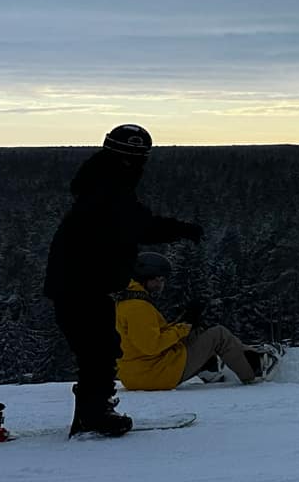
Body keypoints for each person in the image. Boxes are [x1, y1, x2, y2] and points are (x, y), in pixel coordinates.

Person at [41, 125, 203, 437]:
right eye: (135, 158)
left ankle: (92, 412)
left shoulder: (102, 183)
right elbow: (138, 225)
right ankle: (95, 414)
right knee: (99, 349)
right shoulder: (107, 189)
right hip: (80, 284)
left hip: (82, 283)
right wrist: (180, 229)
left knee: (99, 348)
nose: (138, 165)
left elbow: (132, 224)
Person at [116, 253, 274, 389]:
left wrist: (184, 322)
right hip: (154, 375)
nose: (161, 284)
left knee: (199, 332)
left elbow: (148, 337)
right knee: (219, 334)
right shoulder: (138, 308)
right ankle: (254, 371)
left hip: (139, 373)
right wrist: (182, 328)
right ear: (146, 278)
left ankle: (209, 369)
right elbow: (151, 346)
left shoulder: (127, 302)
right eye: (159, 279)